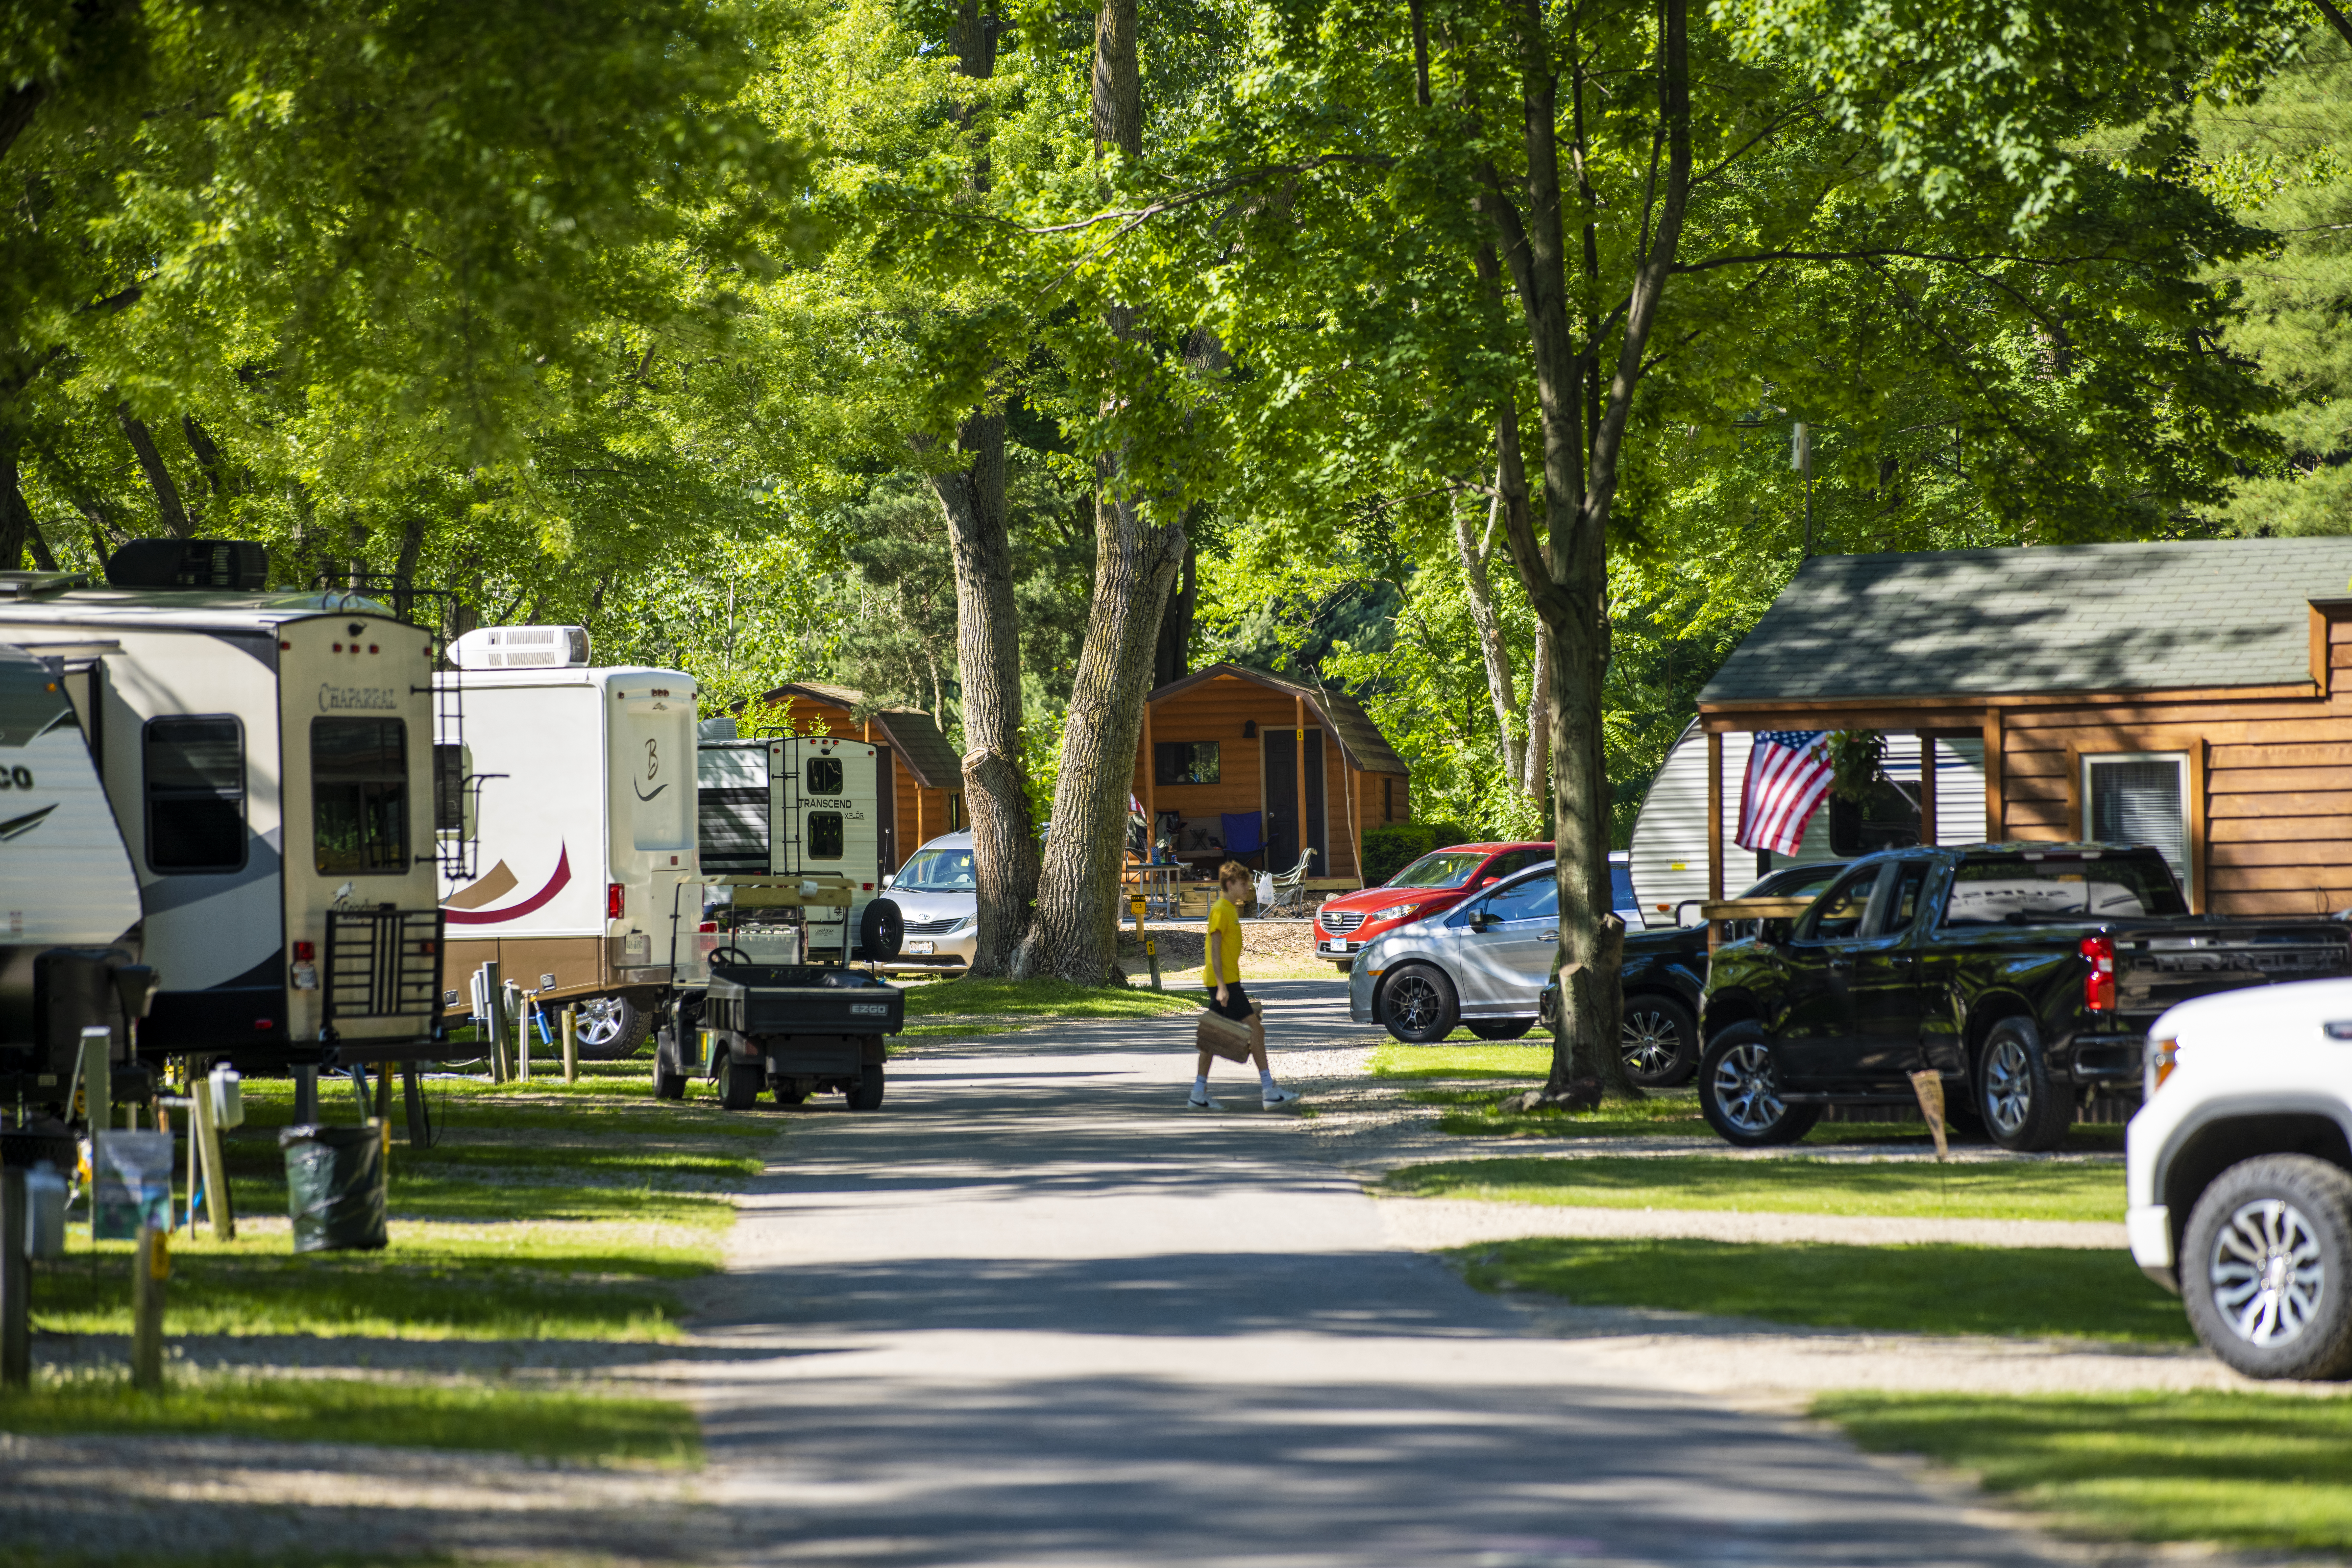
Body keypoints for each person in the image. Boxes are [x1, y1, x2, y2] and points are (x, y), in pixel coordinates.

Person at [1192, 859, 1299, 1110]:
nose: (1248, 888)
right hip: (1225, 984)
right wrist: (1221, 987)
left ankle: (1198, 1093)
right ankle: (1269, 1091)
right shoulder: (1221, 910)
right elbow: (1215, 953)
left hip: (1228, 982)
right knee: (1256, 1032)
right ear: (1230, 884)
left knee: (1211, 1038)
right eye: (1243, 884)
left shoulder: (1230, 909)